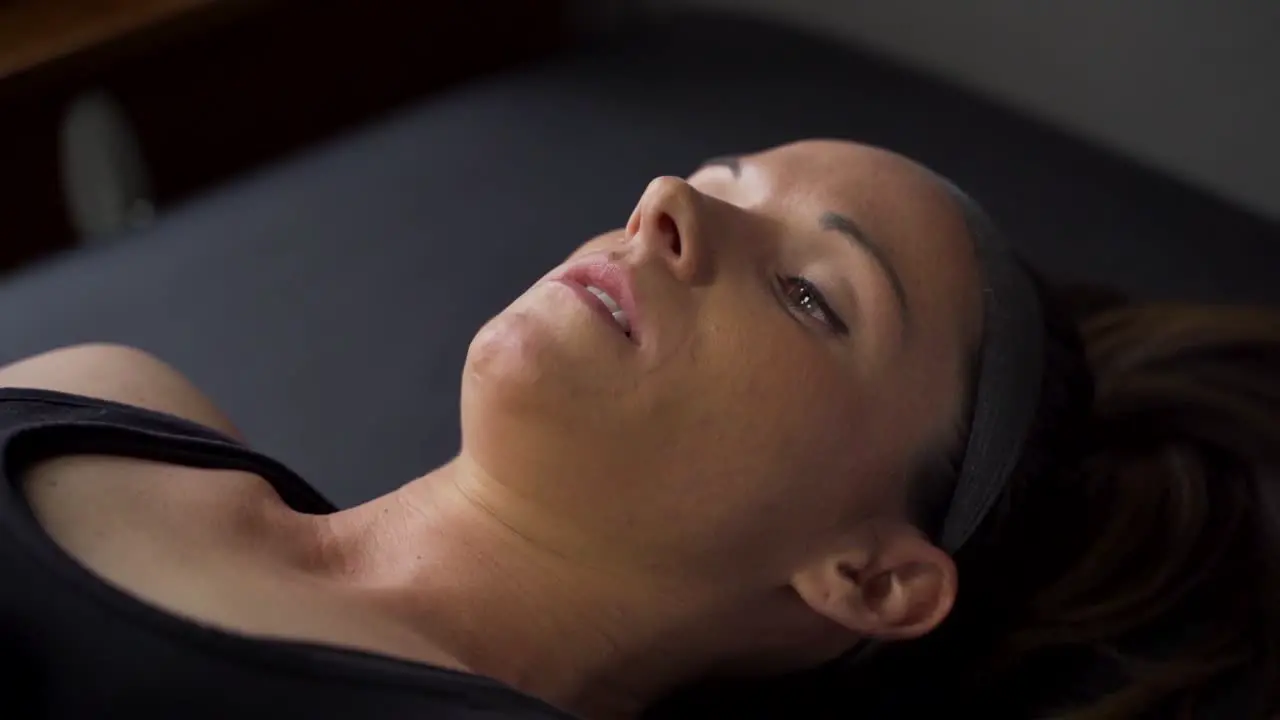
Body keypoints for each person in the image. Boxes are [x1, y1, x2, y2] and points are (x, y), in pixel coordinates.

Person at [0, 140, 1276, 720]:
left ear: (871, 576)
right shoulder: (117, 397)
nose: (665, 205)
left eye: (807, 296)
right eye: (719, 182)